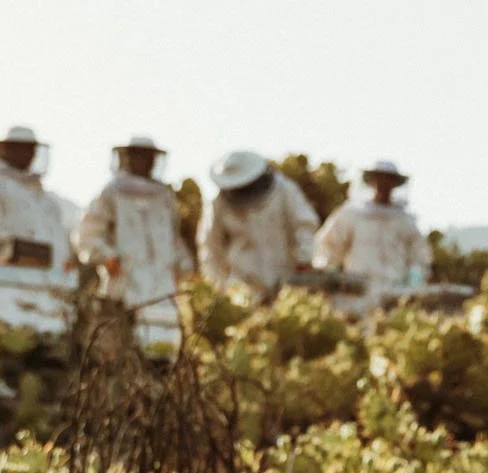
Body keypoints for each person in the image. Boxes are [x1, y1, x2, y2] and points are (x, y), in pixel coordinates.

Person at [74, 135, 193, 353]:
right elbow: (87, 233)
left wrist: (184, 265)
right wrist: (106, 256)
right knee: (121, 356)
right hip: (124, 287)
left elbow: (174, 238)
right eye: (137, 156)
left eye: (147, 157)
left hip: (162, 290)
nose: (142, 162)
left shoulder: (164, 196)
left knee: (162, 356)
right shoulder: (111, 192)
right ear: (126, 158)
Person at [313, 160, 431, 314]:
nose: (384, 184)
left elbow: (419, 256)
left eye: (388, 179)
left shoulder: (405, 221)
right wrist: (329, 269)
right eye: (379, 178)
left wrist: (415, 278)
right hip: (356, 293)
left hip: (394, 296)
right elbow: (328, 245)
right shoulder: (351, 215)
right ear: (371, 181)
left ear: (395, 183)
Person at [199, 150, 319, 299]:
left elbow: (304, 224)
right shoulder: (218, 203)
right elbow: (210, 246)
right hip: (241, 286)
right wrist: (216, 284)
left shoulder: (284, 190)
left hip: (286, 281)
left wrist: (304, 258)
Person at [0, 124, 75, 269]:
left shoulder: (44, 198)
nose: (29, 155)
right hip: (8, 274)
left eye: (31, 150)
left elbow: (58, 240)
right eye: (23, 149)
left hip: (48, 278)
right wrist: (10, 247)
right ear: (8, 150)